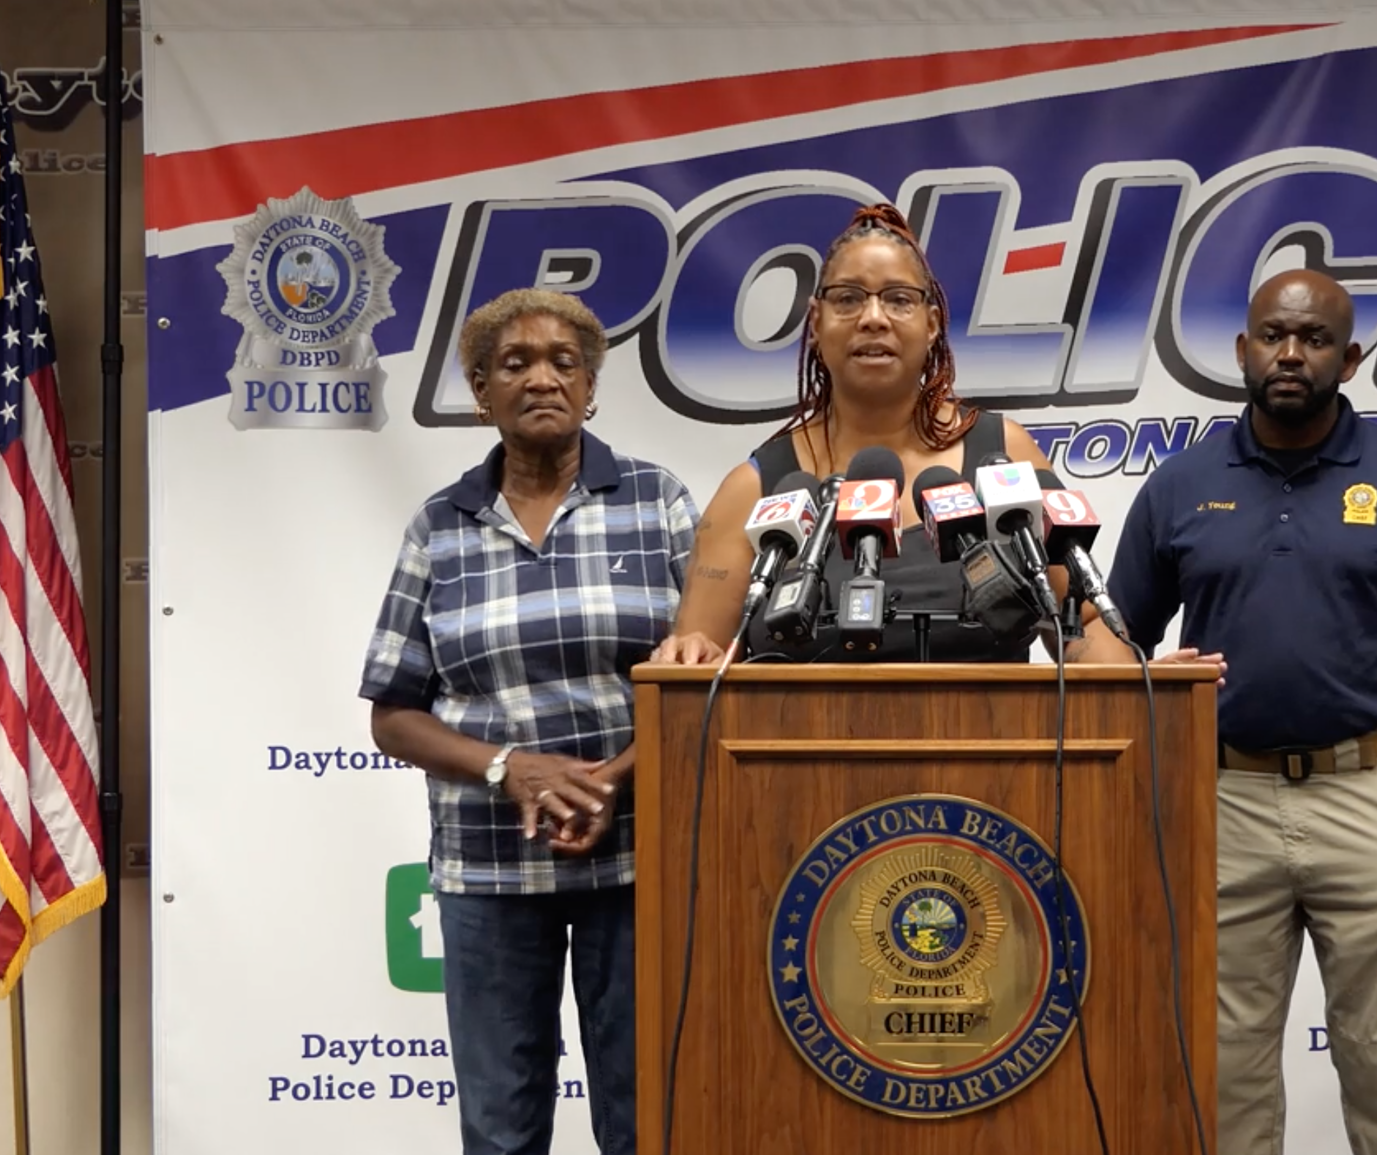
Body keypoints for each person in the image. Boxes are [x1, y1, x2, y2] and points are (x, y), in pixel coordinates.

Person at [1096, 269, 1377, 1155]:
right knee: (1223, 1071)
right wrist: (1153, 685)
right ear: (1244, 350)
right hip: (1225, 800)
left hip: (1371, 794)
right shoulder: (1181, 485)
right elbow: (1109, 641)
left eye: (1315, 339)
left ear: (1350, 357)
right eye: (1274, 336)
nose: (1292, 353)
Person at [359, 288, 698, 1155]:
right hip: (490, 872)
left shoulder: (655, 502)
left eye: (563, 361)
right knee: (502, 1128)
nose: (541, 377)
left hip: (640, 857)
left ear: (590, 387)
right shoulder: (440, 526)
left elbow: (711, 678)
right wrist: (514, 767)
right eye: (514, 363)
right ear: (481, 392)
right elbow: (394, 714)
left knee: (648, 1118)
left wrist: (603, 781)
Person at [652, 203, 1120, 665]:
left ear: (932, 324)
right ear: (815, 323)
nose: (873, 318)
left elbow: (1084, 625)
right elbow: (699, 663)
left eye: (898, 299)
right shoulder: (753, 489)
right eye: (848, 298)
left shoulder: (1004, 455)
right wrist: (691, 654)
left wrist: (1142, 679)